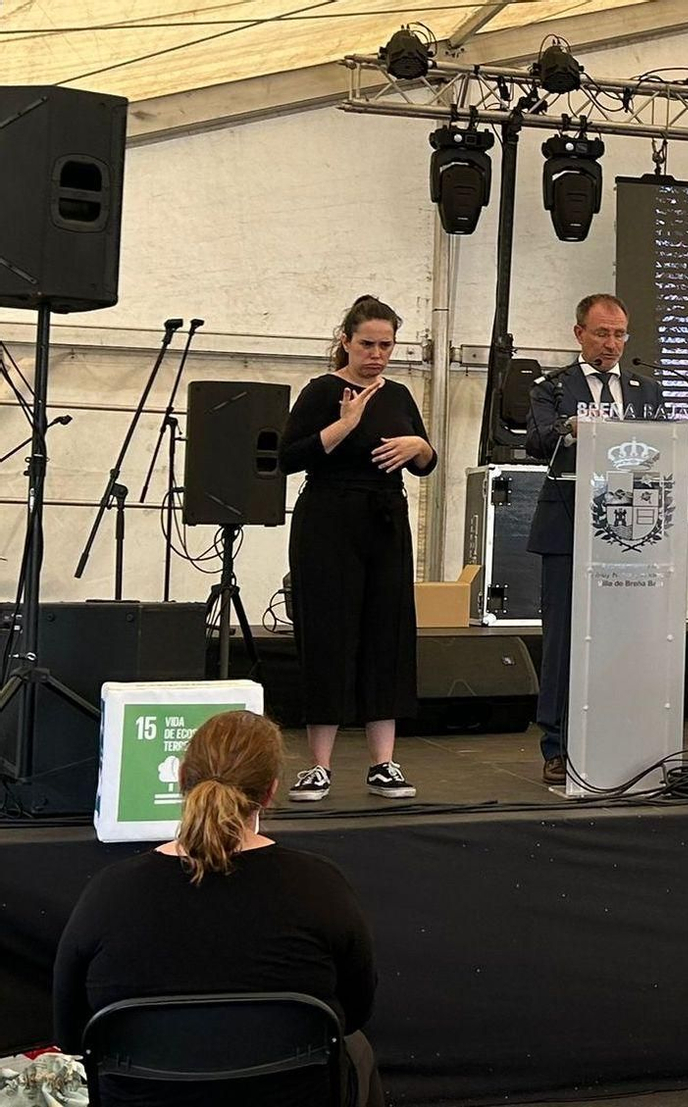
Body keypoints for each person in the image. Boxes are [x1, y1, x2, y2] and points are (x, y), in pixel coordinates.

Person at [53, 711, 384, 1107]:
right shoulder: (321, 886)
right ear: (269, 792)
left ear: (180, 781)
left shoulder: (109, 893)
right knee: (357, 1048)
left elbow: (71, 1034)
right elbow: (357, 1009)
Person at [279, 296, 435, 802]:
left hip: (385, 520)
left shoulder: (399, 395)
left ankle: (383, 763)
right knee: (327, 632)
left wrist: (420, 448)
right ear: (345, 340)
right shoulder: (322, 390)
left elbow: (425, 459)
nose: (377, 354)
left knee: (386, 634)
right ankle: (318, 765)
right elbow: (287, 457)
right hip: (327, 518)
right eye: (367, 344)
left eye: (386, 345)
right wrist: (343, 425)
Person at [526, 293, 667, 786]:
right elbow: (537, 440)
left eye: (620, 334)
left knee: (625, 638)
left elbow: (659, 451)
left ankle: (622, 736)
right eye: (602, 333)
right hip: (567, 522)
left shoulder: (646, 389)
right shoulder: (552, 387)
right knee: (564, 639)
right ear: (578, 333)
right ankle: (557, 744)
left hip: (631, 528)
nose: (612, 343)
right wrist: (570, 428)